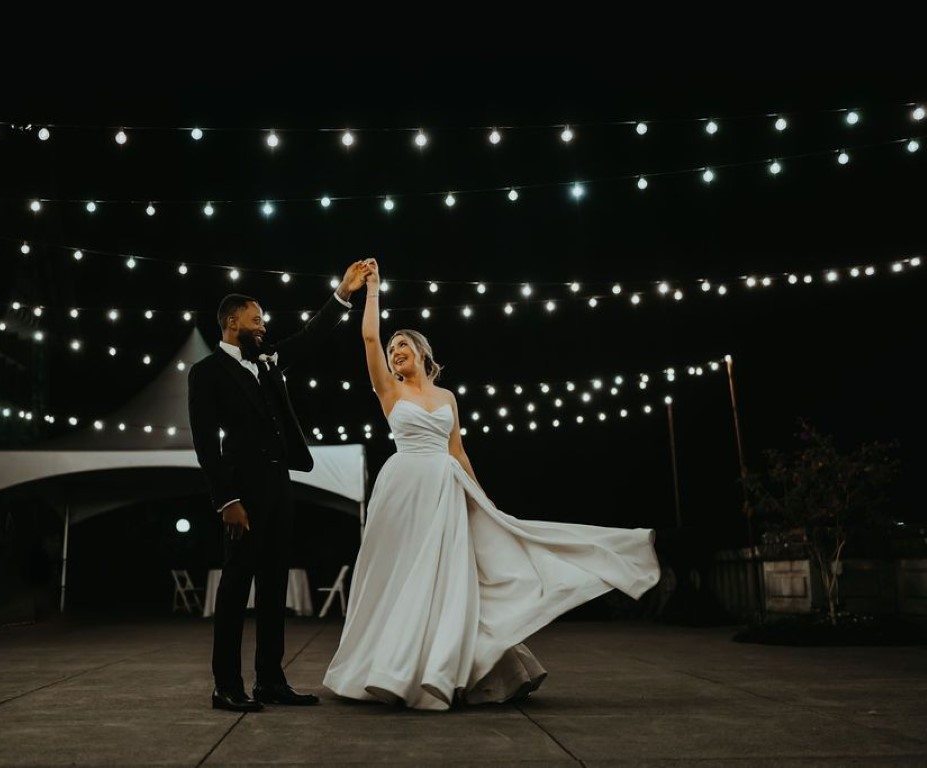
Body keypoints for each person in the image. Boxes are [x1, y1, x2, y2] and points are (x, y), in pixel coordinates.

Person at [323, 258, 662, 710]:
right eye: (391, 348)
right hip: (403, 488)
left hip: (446, 489)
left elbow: (457, 450)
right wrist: (373, 291)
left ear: (423, 353)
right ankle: (387, 666)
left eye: (403, 344)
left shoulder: (446, 398)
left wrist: (480, 494)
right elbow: (367, 336)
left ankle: (453, 668)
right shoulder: (389, 390)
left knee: (449, 579)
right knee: (401, 576)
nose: (394, 350)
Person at [188, 259, 371, 712]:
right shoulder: (207, 373)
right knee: (235, 588)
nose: (263, 325)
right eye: (256, 319)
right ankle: (225, 685)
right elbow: (206, 443)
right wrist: (226, 499)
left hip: (278, 485)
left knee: (274, 585)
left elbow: (310, 337)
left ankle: (270, 680)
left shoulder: (267, 362)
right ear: (233, 323)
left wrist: (343, 294)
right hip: (241, 490)